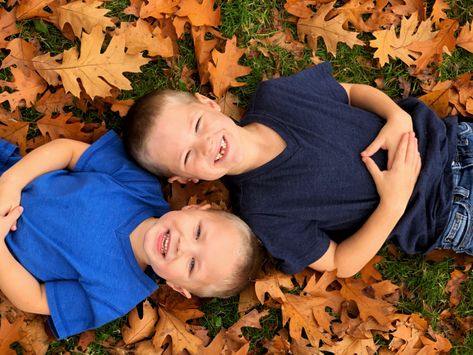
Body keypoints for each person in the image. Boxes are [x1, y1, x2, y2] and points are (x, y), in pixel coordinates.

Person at [122, 61, 463, 279]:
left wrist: (395, 115)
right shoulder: (263, 211)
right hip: (444, 211)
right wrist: (394, 204)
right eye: (187, 155)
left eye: (197, 124)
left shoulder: (276, 96)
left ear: (207, 103)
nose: (206, 143)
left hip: (449, 138)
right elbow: (338, 263)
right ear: (186, 179)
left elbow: (349, 92)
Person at [0, 131, 264, 339]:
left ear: (178, 287)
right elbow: (69, 152)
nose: (184, 246)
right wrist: (11, 182)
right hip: (11, 173)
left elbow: (34, 298)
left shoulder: (115, 296)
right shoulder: (138, 183)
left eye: (192, 264)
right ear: (194, 208)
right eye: (197, 232)